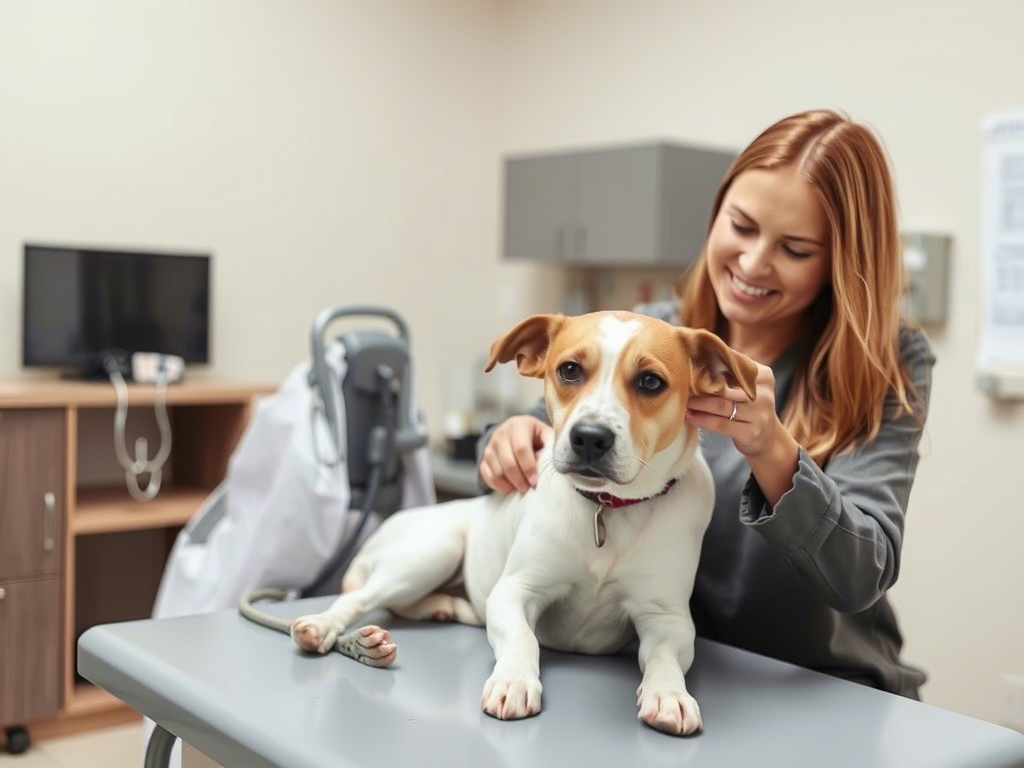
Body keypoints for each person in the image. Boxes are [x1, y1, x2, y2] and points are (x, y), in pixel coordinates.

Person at [478, 109, 935, 698]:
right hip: (686, 672)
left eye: (794, 249)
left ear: (840, 264)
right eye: (740, 226)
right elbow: (562, 448)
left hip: (827, 686)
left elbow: (860, 577)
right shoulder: (656, 339)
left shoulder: (886, 366)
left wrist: (773, 450)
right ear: (715, 213)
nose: (751, 263)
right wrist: (509, 437)